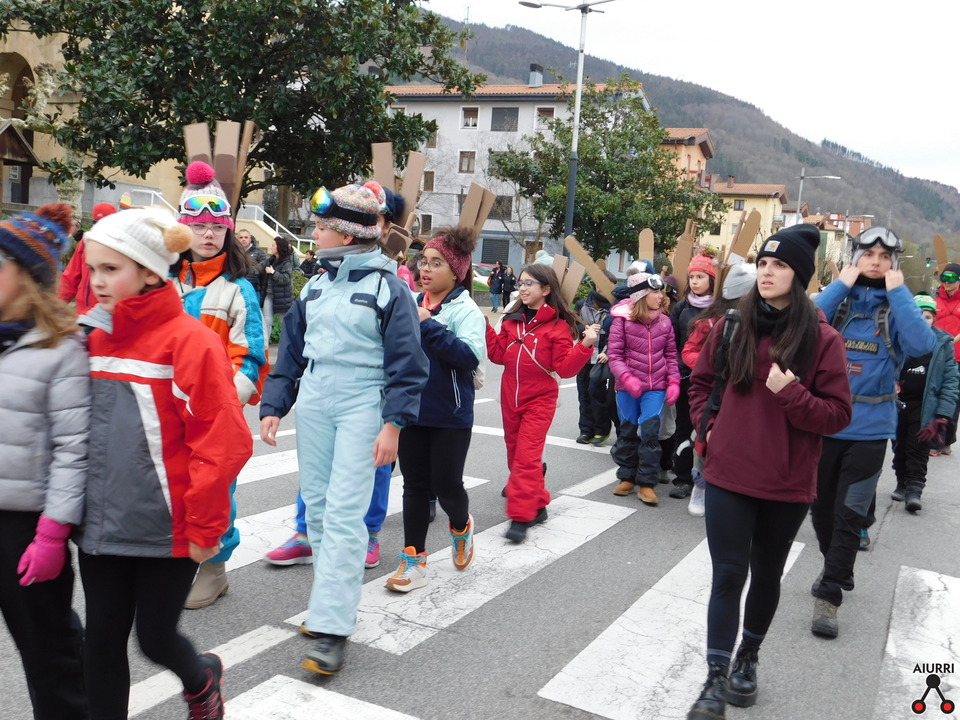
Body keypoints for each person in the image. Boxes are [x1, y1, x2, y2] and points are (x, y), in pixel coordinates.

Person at [77, 208, 252, 720]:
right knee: (100, 642)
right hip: (102, 524)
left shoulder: (190, 342)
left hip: (169, 528)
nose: (97, 281)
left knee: (154, 639)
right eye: (93, 268)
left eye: (112, 269)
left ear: (151, 271)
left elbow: (222, 442)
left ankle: (202, 678)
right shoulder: (91, 337)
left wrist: (205, 526)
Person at [259, 184, 428, 675]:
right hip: (314, 400)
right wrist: (274, 405)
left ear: (348, 235)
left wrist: (393, 425)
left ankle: (332, 628)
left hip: (362, 401)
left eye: (320, 227)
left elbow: (408, 364)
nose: (313, 234)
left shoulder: (389, 288)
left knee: (345, 515)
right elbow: (291, 353)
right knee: (317, 508)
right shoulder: (314, 285)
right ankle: (326, 607)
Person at [686, 225, 851, 719]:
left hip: (786, 481)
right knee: (728, 574)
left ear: (799, 275)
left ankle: (749, 657)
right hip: (728, 474)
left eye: (779, 265)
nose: (767, 272)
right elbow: (700, 384)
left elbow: (837, 415)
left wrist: (791, 393)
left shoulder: (822, 339)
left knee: (766, 574)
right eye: (762, 263)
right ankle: (715, 678)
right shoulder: (731, 326)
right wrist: (708, 427)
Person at [811, 226, 935, 638]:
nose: (876, 262)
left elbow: (921, 344)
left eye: (885, 256)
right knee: (820, 510)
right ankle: (834, 565)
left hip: (870, 431)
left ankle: (830, 594)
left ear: (893, 263)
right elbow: (803, 322)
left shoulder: (894, 309)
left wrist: (899, 293)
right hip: (825, 424)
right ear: (855, 258)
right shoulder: (839, 303)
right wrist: (841, 284)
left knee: (849, 515)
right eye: (869, 255)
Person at [0, 203, 90, 720]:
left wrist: (53, 535)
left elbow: (73, 451)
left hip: (26, 528)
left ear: (27, 277)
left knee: (48, 651)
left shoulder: (62, 348)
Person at [172, 161, 268, 608]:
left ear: (228, 231)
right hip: (167, 411)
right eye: (198, 225)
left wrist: (217, 406)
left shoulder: (237, 290)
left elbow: (250, 359)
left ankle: (215, 568)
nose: (208, 234)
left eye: (216, 226)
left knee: (214, 489)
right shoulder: (162, 282)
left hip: (212, 417)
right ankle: (173, 562)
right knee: (172, 487)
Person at [385, 227, 485, 592]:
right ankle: (414, 560)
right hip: (411, 409)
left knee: (446, 485)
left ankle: (461, 525)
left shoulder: (466, 310)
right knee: (414, 485)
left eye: (436, 263)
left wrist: (429, 325)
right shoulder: (410, 301)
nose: (425, 269)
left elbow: (468, 357)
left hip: (450, 415)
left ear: (456, 271)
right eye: (423, 261)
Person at [486, 263, 598, 542]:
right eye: (520, 283)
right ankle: (538, 504)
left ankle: (521, 516)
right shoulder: (511, 320)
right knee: (515, 454)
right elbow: (498, 356)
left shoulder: (559, 327)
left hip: (540, 400)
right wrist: (485, 328)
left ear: (546, 289)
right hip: (510, 397)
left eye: (529, 284)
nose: (522, 288)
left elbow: (565, 369)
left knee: (526, 457)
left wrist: (585, 345)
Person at [681, 263, 757, 516]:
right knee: (704, 437)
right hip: (715, 391)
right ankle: (700, 485)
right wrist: (710, 365)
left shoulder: (764, 323)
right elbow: (689, 352)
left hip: (746, 393)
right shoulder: (711, 322)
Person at [607, 271, 681, 505]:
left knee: (650, 434)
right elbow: (614, 355)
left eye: (661, 292)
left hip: (655, 387)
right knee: (627, 432)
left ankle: (647, 482)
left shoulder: (665, 322)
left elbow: (671, 355)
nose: (661, 297)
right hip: (627, 388)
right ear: (641, 295)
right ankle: (627, 477)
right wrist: (626, 377)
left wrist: (674, 381)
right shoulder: (621, 321)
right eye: (655, 292)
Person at [889, 294, 959, 511]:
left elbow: (951, 380)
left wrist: (944, 414)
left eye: (927, 316)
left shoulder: (942, 344)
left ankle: (914, 489)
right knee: (899, 446)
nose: (923, 320)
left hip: (925, 406)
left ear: (934, 319)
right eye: (918, 315)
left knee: (918, 447)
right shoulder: (897, 339)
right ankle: (902, 483)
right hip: (898, 404)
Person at [669, 250, 717, 500]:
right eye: (692, 277)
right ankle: (682, 478)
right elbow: (673, 343)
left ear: (712, 279)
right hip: (685, 377)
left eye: (701, 276)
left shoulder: (721, 308)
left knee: (709, 430)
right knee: (683, 428)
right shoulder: (681, 307)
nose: (695, 281)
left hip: (714, 380)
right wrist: (676, 368)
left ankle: (711, 479)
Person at [574, 270, 617, 446]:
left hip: (601, 357)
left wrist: (608, 352)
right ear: (597, 284)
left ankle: (601, 430)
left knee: (597, 394)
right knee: (583, 394)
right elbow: (573, 326)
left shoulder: (616, 308)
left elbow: (617, 334)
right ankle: (586, 430)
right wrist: (586, 329)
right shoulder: (582, 304)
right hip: (583, 356)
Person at [58, 202, 117, 315]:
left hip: (109, 312)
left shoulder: (122, 246)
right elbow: (71, 276)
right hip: (85, 312)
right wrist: (58, 304)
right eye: (98, 224)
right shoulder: (86, 242)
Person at [932, 263, 960, 455]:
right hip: (937, 356)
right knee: (934, 397)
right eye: (944, 278)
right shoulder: (934, 302)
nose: (947, 282)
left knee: (953, 399)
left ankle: (946, 440)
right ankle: (935, 439)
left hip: (958, 358)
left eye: (951, 278)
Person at [262, 235, 295, 344]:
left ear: (279, 248)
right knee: (266, 321)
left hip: (282, 298)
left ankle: (289, 345)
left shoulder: (287, 263)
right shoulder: (271, 260)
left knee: (284, 323)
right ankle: (264, 346)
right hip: (269, 295)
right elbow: (258, 267)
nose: (271, 247)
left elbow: (285, 279)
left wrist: (273, 272)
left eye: (273, 245)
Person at [236, 227, 268, 301]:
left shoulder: (259, 253)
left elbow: (264, 268)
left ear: (250, 239)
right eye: (241, 237)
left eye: (246, 237)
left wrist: (250, 270)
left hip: (254, 289)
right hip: (237, 289)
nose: (243, 239)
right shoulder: (234, 252)